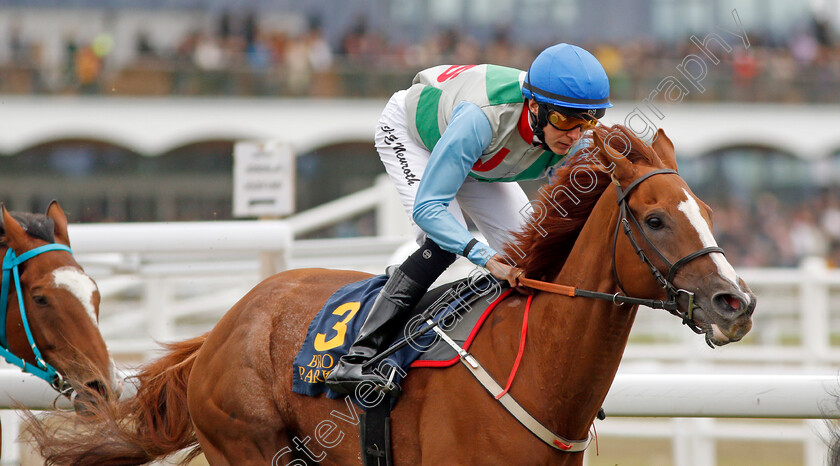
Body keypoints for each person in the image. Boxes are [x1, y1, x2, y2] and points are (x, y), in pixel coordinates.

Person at [325, 43, 612, 395]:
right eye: (564, 120)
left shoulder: (576, 135)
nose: (574, 134)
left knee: (531, 256)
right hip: (416, 137)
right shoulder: (482, 118)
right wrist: (487, 258)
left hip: (477, 156)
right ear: (534, 106)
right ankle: (356, 358)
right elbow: (428, 210)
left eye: (586, 122)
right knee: (444, 241)